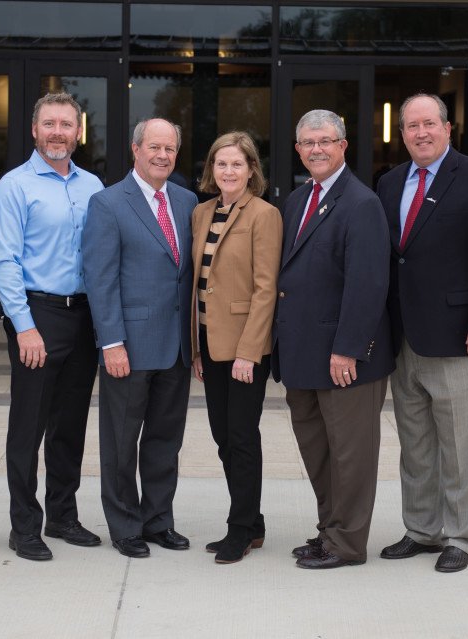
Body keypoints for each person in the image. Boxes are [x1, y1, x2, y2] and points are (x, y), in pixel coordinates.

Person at [376, 93, 468, 573]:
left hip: (458, 334)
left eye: (429, 124)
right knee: (415, 443)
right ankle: (421, 529)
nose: (420, 133)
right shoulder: (389, 182)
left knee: (460, 444)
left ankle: (462, 535)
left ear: (448, 128)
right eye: (411, 126)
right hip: (404, 336)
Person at [272, 109, 394, 570]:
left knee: (351, 456)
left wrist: (348, 349)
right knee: (319, 452)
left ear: (343, 146)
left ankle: (348, 545)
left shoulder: (361, 204)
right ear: (298, 149)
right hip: (303, 355)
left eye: (325, 140)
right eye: (307, 142)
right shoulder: (299, 200)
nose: (316, 149)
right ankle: (330, 532)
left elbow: (368, 284)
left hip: (342, 358)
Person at [0, 92, 104, 562]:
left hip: (84, 317)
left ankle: (62, 514)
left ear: (79, 132)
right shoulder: (14, 187)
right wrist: (24, 327)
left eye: (67, 124)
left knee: (70, 424)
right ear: (34, 130)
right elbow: (4, 262)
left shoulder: (93, 185)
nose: (58, 132)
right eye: (49, 123)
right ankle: (24, 526)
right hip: (38, 315)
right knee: (29, 425)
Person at [82, 118, 197, 559]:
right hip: (127, 345)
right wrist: (111, 342)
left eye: (170, 149)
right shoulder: (108, 204)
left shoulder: (187, 202)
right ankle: (125, 524)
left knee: (165, 441)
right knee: (120, 442)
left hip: (176, 347)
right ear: (136, 149)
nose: (162, 156)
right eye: (154, 147)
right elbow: (100, 278)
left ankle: (158, 520)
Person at [189, 132, 282, 564]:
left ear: (251, 171)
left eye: (237, 165)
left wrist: (250, 352)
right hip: (210, 343)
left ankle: (240, 528)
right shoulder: (201, 212)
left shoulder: (264, 215)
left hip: (246, 349)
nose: (228, 171)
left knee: (242, 437)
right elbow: (198, 285)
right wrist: (196, 348)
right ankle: (255, 521)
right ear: (212, 169)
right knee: (223, 436)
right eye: (221, 164)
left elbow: (266, 289)